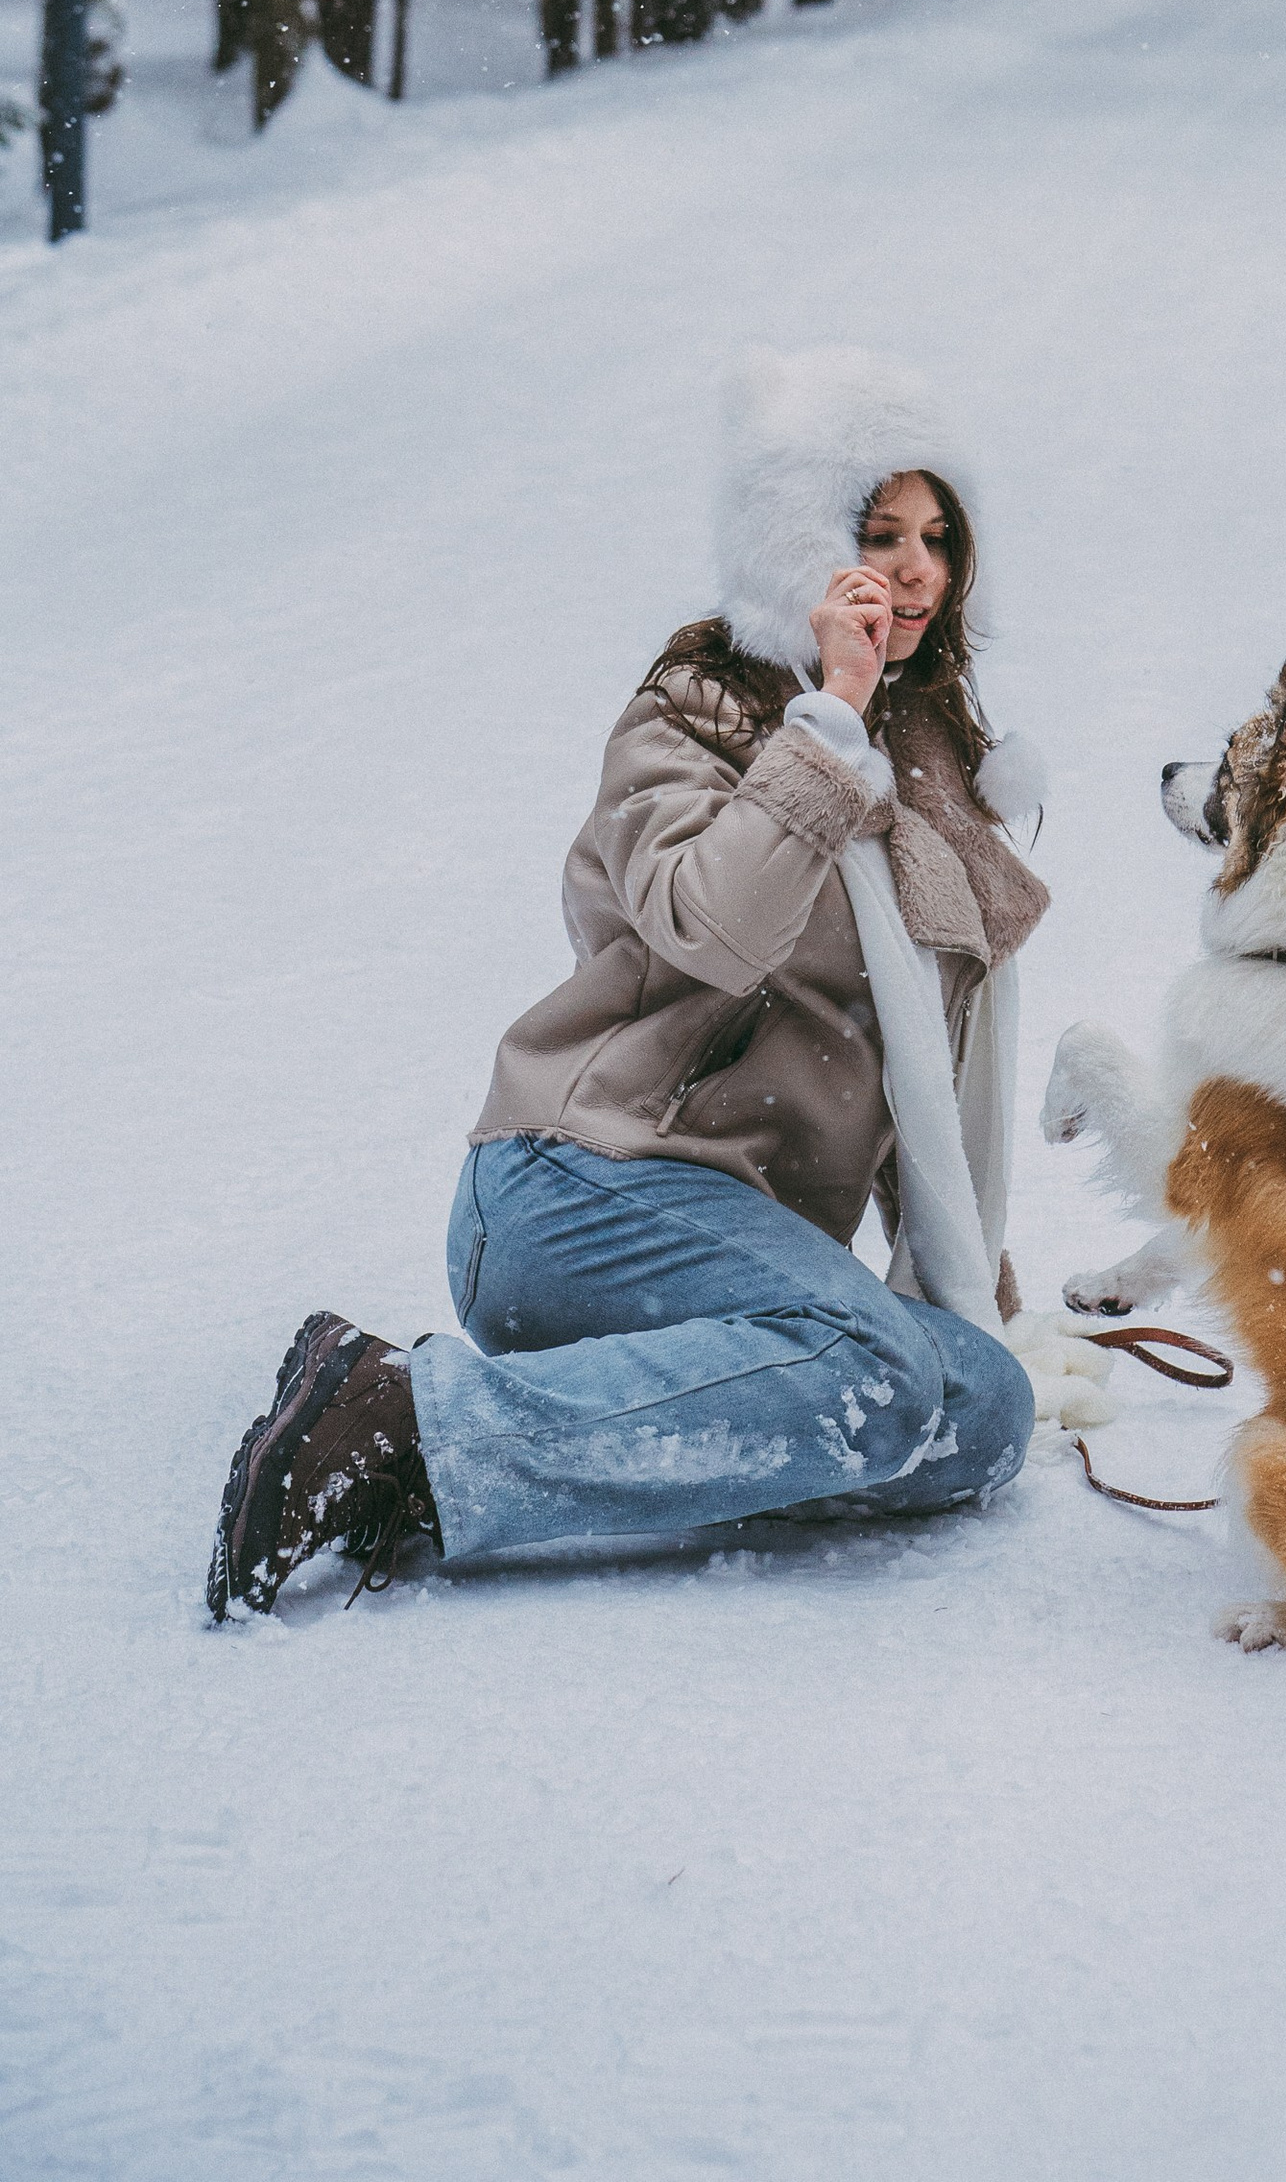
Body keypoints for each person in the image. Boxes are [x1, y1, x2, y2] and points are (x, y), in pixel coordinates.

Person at [208, 348, 1048, 1618]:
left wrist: (962, 1261)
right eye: (880, 532)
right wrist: (827, 720)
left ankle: (545, 1443)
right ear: (799, 544)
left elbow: (899, 1055)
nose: (918, 566)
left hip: (739, 1248)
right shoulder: (691, 720)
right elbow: (715, 926)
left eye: (941, 535)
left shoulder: (929, 770)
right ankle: (399, 1425)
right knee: (872, 1365)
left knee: (978, 1407)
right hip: (573, 1187)